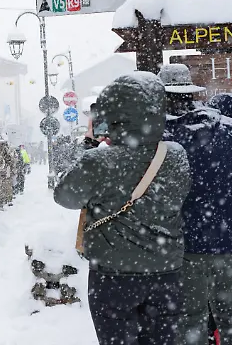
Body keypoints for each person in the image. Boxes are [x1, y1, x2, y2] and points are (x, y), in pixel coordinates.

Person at [53, 73, 192, 345]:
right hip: (166, 272)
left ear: (114, 114)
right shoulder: (175, 155)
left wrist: (89, 144)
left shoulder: (99, 161)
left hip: (113, 275)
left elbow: (64, 196)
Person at [159, 64, 232, 345]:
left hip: (180, 243)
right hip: (228, 240)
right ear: (190, 92)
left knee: (189, 319)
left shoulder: (155, 136)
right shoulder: (226, 127)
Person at [0, 134, 15, 209]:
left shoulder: (5, 149)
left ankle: (2, 202)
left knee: (5, 186)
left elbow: (10, 160)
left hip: (4, 171)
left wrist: (8, 167)